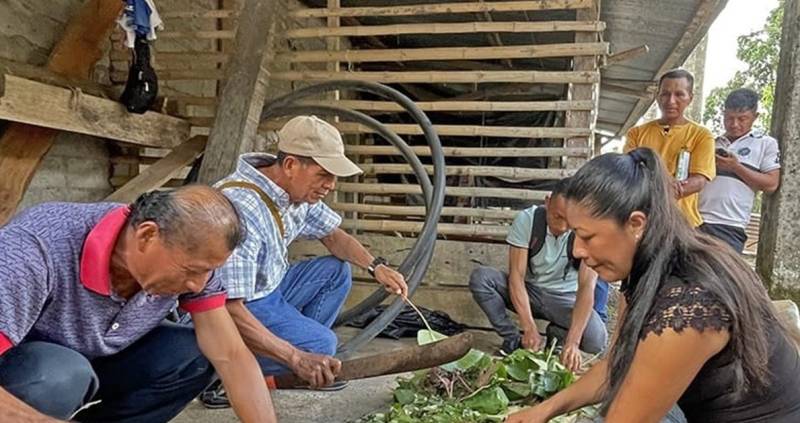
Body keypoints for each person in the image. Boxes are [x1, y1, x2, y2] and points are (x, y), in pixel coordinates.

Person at [507, 148, 800, 423]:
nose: (577, 251)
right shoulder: (652, 267)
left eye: (587, 236)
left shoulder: (688, 305)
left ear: (636, 224)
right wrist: (543, 411)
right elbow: (617, 364)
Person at [0, 186, 276, 423]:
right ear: (147, 235)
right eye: (192, 271)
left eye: (208, 271)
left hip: (97, 360)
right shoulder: (32, 248)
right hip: (30, 373)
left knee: (195, 356)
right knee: (60, 374)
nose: (199, 284)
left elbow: (231, 355)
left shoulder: (191, 260)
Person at [199, 115, 409, 407]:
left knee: (336, 270)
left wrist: (376, 267)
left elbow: (333, 235)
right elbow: (227, 305)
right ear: (290, 165)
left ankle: (302, 360)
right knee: (323, 344)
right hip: (234, 307)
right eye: (324, 175)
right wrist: (295, 356)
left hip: (269, 290)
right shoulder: (240, 208)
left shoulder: (293, 192)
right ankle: (227, 375)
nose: (331, 185)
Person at [469, 178, 609, 371]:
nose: (561, 227)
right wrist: (528, 327)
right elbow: (516, 277)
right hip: (531, 292)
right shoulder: (528, 220)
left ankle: (558, 334)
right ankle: (513, 338)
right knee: (482, 279)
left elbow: (586, 288)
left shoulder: (588, 231)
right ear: (547, 202)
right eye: (556, 217)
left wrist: (573, 343)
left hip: (566, 299)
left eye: (569, 222)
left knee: (596, 341)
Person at [624, 69, 716, 228]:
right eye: (665, 94)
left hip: (682, 224)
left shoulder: (701, 136)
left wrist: (655, 192)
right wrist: (665, 189)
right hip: (642, 222)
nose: (671, 101)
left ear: (690, 98)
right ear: (658, 97)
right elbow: (627, 172)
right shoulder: (637, 133)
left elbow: (699, 181)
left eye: (679, 94)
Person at [699, 88, 781, 253]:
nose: (734, 124)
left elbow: (771, 184)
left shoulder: (765, 143)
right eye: (729, 118)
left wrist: (735, 167)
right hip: (697, 221)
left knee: (722, 276)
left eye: (742, 119)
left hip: (731, 225)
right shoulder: (711, 143)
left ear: (755, 117)